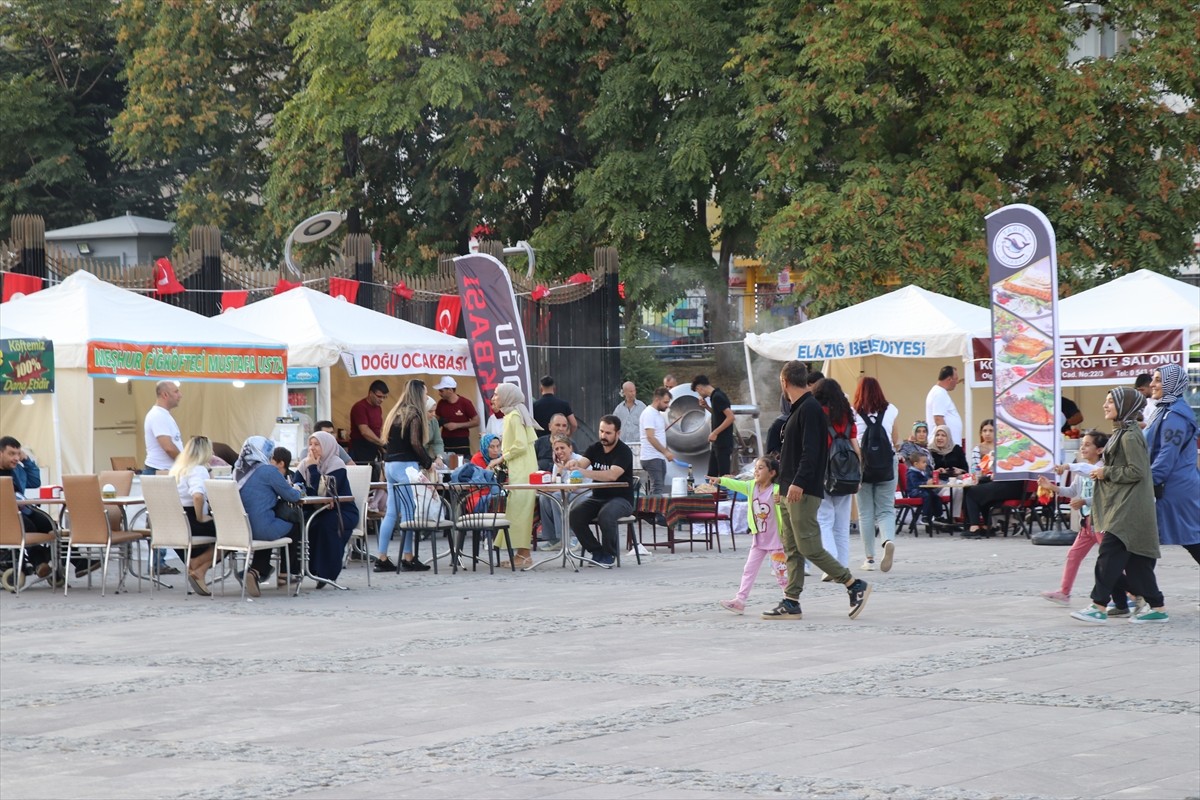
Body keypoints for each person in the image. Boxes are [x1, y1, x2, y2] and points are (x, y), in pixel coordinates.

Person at [764, 360, 870, 620]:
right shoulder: (799, 409)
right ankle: (791, 601)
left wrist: (798, 482)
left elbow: (812, 452)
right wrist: (782, 485)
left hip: (803, 489)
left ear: (784, 381)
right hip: (789, 487)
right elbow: (792, 453)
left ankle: (854, 584)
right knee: (792, 548)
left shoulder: (809, 409)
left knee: (809, 546)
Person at [1071, 388, 1168, 624]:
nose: (1105, 405)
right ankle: (1157, 607)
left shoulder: (1130, 435)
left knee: (1109, 554)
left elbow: (1137, 471)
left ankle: (1098, 605)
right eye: (1105, 401)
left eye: (1111, 402)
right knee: (1136, 562)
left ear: (1124, 406)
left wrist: (1106, 471)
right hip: (1123, 504)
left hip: (1128, 508)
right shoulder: (1122, 432)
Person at [1038, 429, 1108, 606]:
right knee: (1073, 555)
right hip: (1086, 524)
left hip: (1100, 522)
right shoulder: (1081, 472)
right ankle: (1064, 592)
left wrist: (1084, 501)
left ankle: (1132, 593)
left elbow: (1106, 497)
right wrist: (1051, 487)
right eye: (1082, 444)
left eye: (1087, 445)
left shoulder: (1102, 470)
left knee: (1110, 560)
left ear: (1099, 450)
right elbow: (1071, 492)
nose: (1083, 448)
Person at [713, 457, 788, 614]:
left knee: (781, 574)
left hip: (776, 542)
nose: (756, 471)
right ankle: (740, 601)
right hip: (759, 540)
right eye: (756, 468)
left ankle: (790, 600)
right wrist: (720, 480)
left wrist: (781, 500)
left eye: (761, 468)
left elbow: (789, 505)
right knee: (749, 570)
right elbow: (736, 484)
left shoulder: (777, 490)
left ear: (772, 473)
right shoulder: (751, 486)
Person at [375, 380, 435, 573]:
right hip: (405, 466)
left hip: (390, 464)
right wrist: (428, 462)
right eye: (425, 393)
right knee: (409, 511)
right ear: (419, 394)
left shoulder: (396, 412)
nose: (426, 396)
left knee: (392, 512)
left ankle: (381, 557)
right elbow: (416, 443)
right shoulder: (414, 414)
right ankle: (408, 556)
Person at [1143, 365, 1200, 564]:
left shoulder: (1174, 415)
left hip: (1173, 489)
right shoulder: (1164, 411)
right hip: (1170, 486)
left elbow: (1167, 453)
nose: (1152, 384)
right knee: (1145, 542)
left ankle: (1141, 591)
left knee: (1192, 539)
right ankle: (1140, 590)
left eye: (1158, 380)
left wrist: (1148, 481)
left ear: (1171, 383)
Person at [234, 435, 303, 597]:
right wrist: (298, 489)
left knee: (270, 526)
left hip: (242, 528)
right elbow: (292, 496)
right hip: (261, 528)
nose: (271, 457)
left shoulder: (238, 469)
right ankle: (285, 575)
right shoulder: (268, 470)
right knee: (294, 525)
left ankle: (256, 571)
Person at [566, 415, 634, 567]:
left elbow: (612, 475)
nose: (603, 436)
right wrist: (573, 463)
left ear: (618, 433)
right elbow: (581, 463)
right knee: (575, 514)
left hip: (621, 499)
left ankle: (610, 554)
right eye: (601, 431)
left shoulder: (623, 451)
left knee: (606, 515)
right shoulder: (594, 448)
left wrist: (586, 473)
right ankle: (596, 551)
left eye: (608, 433)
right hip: (598, 497)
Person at [298, 431, 359, 586]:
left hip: (343, 511)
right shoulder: (304, 463)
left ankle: (327, 573)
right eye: (310, 444)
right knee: (303, 523)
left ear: (327, 446)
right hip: (318, 511)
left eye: (317, 444)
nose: (313, 448)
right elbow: (296, 486)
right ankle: (305, 569)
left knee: (325, 525)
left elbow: (324, 491)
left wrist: (313, 468)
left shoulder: (336, 464)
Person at [852, 376, 898, 572]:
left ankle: (869, 559)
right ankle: (887, 540)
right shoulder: (892, 409)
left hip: (862, 464)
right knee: (886, 509)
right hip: (887, 464)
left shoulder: (852, 412)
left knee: (865, 513)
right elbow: (896, 441)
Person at [492, 383, 539, 569]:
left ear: (507, 396)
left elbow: (519, 445)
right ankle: (520, 553)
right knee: (519, 511)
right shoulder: (516, 414)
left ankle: (524, 554)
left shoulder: (513, 416)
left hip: (522, 470)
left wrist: (500, 459)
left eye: (496, 394)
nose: (494, 398)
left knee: (520, 512)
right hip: (523, 468)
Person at [814, 378, 858, 570]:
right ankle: (843, 565)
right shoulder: (847, 415)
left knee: (824, 520)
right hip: (847, 473)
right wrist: (859, 473)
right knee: (841, 525)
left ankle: (831, 566)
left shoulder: (817, 414)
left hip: (824, 471)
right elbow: (855, 444)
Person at [0, 435, 57, 582]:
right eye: (11, 454)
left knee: (50, 524)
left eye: (18, 454)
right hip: (4, 515)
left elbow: (35, 481)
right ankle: (40, 562)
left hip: (23, 509)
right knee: (29, 526)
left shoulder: (17, 469)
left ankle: (79, 562)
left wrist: (26, 460)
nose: (16, 458)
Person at [167, 435, 218, 595]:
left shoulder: (176, 469)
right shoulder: (198, 470)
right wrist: (201, 517)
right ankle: (199, 566)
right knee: (235, 534)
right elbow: (197, 496)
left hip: (173, 523)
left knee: (226, 532)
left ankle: (196, 565)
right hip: (190, 521)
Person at [961, 421, 1024, 538]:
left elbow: (999, 473)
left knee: (972, 493)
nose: (988, 434)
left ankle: (974, 527)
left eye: (991, 430)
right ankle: (986, 526)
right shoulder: (1015, 447)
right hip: (1015, 486)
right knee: (982, 491)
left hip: (1007, 485)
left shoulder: (1003, 449)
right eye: (985, 431)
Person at [537, 433, 588, 551]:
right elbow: (554, 484)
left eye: (562, 448)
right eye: (556, 449)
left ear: (570, 448)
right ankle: (553, 538)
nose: (559, 451)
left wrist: (551, 487)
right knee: (544, 497)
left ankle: (570, 537)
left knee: (557, 496)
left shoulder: (579, 461)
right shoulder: (558, 464)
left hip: (584, 495)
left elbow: (573, 487)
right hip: (567, 494)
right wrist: (559, 470)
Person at [692, 375, 735, 478]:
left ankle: (723, 493)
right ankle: (712, 492)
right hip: (717, 443)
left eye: (697, 391)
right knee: (711, 474)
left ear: (699, 388)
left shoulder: (717, 397)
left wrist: (715, 432)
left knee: (724, 476)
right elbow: (718, 414)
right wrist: (706, 407)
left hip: (723, 442)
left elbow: (730, 417)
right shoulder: (715, 396)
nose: (699, 394)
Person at [638, 387, 674, 495]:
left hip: (658, 457)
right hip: (651, 457)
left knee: (659, 486)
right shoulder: (649, 413)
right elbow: (650, 437)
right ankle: (654, 512)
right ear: (657, 400)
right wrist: (666, 452)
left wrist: (666, 451)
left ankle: (655, 511)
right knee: (657, 487)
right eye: (665, 402)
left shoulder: (657, 414)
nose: (667, 405)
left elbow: (660, 436)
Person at [433, 376, 478, 457]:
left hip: (461, 441)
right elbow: (436, 417)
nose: (439, 393)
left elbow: (476, 421)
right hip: (445, 440)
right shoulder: (441, 403)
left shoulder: (465, 403)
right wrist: (443, 422)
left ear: (450, 390)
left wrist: (457, 425)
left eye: (441, 391)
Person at [348, 380, 389, 464]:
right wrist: (382, 443)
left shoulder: (378, 408)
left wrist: (382, 448)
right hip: (359, 448)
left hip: (372, 448)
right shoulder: (360, 407)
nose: (381, 400)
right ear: (370, 393)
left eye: (384, 397)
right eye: (379, 396)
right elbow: (364, 431)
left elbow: (378, 430)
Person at [925, 365, 963, 447]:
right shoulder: (939, 393)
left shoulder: (939, 392)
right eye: (956, 379)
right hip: (945, 447)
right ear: (949, 379)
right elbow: (938, 419)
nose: (957, 382)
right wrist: (947, 441)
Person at [905, 452, 944, 525]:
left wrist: (932, 483)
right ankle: (925, 516)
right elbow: (915, 484)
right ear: (916, 464)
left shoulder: (922, 472)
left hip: (923, 490)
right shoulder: (912, 473)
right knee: (927, 496)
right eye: (923, 462)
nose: (926, 464)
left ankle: (938, 515)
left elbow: (926, 482)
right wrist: (926, 483)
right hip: (914, 491)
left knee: (936, 496)